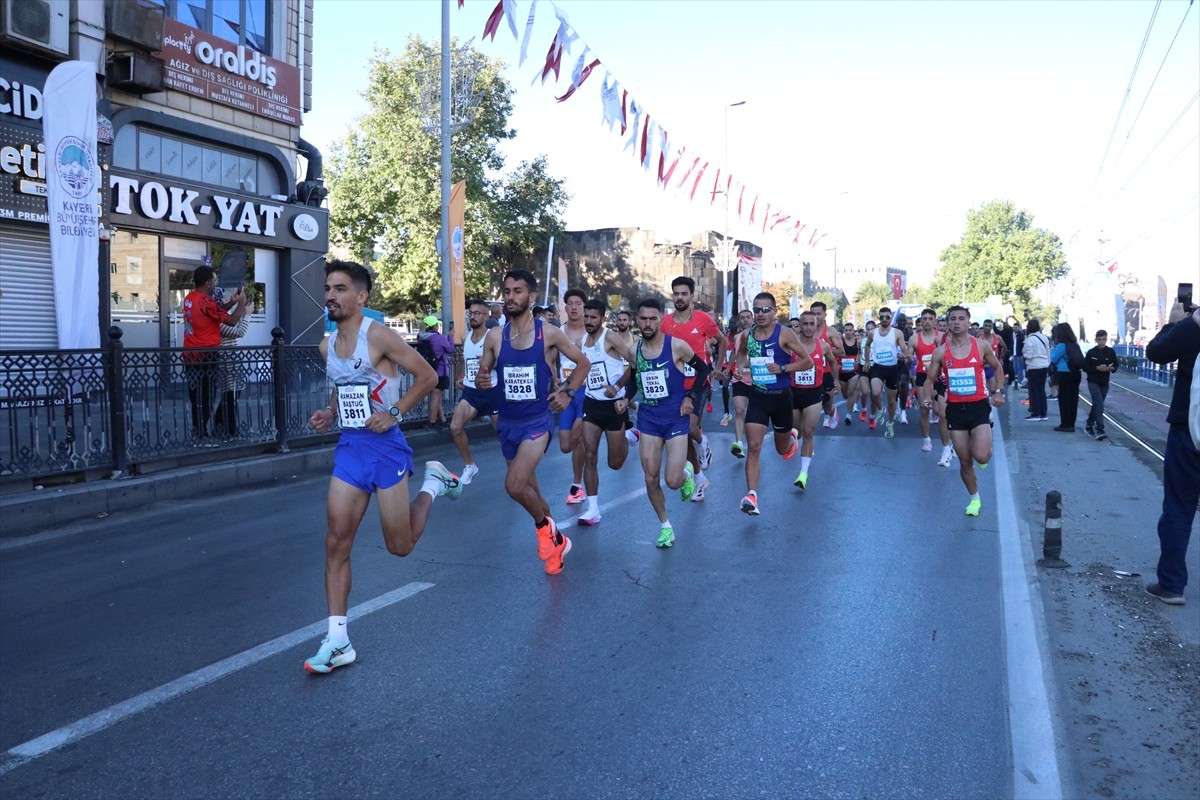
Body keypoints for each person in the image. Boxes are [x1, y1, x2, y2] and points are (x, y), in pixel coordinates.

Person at [304, 260, 462, 673]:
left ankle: (433, 484)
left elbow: (427, 376)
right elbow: (346, 389)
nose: (331, 296)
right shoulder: (326, 346)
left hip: (387, 450)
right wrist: (329, 413)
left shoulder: (380, 336)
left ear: (361, 296)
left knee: (401, 546)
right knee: (336, 542)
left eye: (340, 289)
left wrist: (394, 411)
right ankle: (338, 640)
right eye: (328, 289)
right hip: (351, 448)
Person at [474, 270, 590, 575]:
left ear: (531, 297)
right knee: (532, 493)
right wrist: (482, 378)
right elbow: (483, 372)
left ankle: (543, 530)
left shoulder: (548, 332)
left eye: (518, 291)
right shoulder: (495, 336)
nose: (510, 296)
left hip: (537, 423)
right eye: (507, 291)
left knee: (514, 485)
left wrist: (568, 393)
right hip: (507, 425)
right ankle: (558, 545)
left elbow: (583, 363)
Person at [629, 297, 710, 546]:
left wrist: (689, 396)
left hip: (675, 418)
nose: (648, 323)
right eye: (643, 318)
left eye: (653, 318)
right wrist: (624, 397)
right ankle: (665, 527)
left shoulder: (676, 346)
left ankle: (687, 473)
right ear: (637, 320)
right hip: (649, 419)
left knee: (672, 482)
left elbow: (703, 370)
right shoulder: (635, 350)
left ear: (661, 320)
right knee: (651, 478)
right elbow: (635, 377)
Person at [922, 305, 1005, 517]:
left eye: (961, 318)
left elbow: (997, 367)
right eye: (953, 319)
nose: (957, 322)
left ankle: (985, 453)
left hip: (978, 407)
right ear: (948, 324)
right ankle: (974, 499)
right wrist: (927, 398)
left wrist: (999, 392)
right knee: (964, 460)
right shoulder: (941, 352)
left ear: (968, 322)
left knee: (981, 457)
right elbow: (930, 380)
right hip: (955, 410)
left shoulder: (981, 346)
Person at [1143, 302, 1200, 605]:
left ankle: (1172, 585)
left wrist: (1176, 323)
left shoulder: (1192, 328)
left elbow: (1155, 353)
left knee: (1178, 509)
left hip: (1189, 432)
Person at [737, 292, 813, 515]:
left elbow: (807, 361)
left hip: (781, 398)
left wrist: (783, 368)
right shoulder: (747, 336)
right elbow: (741, 353)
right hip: (759, 397)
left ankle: (791, 439)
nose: (760, 314)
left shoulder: (785, 334)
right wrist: (740, 368)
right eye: (756, 310)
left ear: (774, 312)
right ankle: (752, 495)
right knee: (754, 447)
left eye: (765, 310)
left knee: (782, 450)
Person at [660, 275, 721, 501]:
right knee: (682, 437)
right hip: (673, 386)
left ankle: (702, 441)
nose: (680, 297)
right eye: (676, 293)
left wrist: (717, 366)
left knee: (690, 426)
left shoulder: (703, 319)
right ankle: (699, 477)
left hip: (698, 382)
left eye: (684, 293)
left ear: (692, 296)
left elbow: (722, 341)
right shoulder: (665, 323)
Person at [577, 299, 635, 526]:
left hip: (614, 406)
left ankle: (631, 435)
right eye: (586, 316)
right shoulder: (582, 340)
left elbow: (634, 363)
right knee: (589, 455)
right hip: (591, 405)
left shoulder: (610, 337)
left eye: (593, 317)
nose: (589, 321)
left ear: (602, 319)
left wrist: (618, 388)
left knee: (615, 463)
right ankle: (593, 509)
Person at [183, 267, 248, 441]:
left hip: (190, 355)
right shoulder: (205, 302)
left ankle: (198, 432)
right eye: (214, 281)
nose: (216, 283)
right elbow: (232, 321)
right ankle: (201, 435)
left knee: (197, 396)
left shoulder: (191, 298)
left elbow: (213, 312)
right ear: (207, 283)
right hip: (205, 355)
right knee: (204, 398)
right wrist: (242, 302)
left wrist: (231, 302)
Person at [450, 299, 501, 483]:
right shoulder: (465, 337)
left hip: (492, 391)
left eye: (477, 313)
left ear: (486, 316)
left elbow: (503, 360)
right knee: (455, 427)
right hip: (471, 392)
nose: (472, 316)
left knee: (504, 437)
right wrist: (461, 376)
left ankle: (517, 471)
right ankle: (470, 466)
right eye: (470, 313)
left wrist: (491, 361)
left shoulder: (493, 337)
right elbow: (466, 360)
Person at [790, 310, 833, 490]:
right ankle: (793, 442)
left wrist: (836, 381)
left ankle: (803, 474)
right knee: (796, 432)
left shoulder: (823, 346)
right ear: (799, 325)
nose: (808, 327)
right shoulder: (790, 345)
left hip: (814, 394)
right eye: (805, 324)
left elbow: (833, 363)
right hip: (793, 393)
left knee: (808, 431)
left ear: (817, 326)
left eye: (811, 324)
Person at [555, 288, 589, 505]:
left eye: (578, 303)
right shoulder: (558, 332)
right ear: (565, 308)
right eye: (571, 304)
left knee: (578, 437)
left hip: (587, 392)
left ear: (584, 307)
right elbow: (549, 358)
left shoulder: (593, 332)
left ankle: (578, 485)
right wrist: (553, 379)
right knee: (566, 445)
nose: (574, 307)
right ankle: (585, 463)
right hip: (566, 393)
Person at [913, 308, 953, 463]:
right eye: (925, 319)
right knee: (924, 409)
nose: (928, 321)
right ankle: (927, 439)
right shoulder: (915, 339)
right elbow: (909, 353)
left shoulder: (941, 337)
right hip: (923, 376)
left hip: (939, 376)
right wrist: (908, 357)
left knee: (941, 412)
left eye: (931, 318)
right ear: (921, 321)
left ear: (935, 321)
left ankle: (947, 446)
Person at [863, 306, 909, 438]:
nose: (884, 320)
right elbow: (867, 345)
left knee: (892, 401)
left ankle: (889, 424)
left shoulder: (897, 333)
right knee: (876, 393)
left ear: (890, 318)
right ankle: (880, 409)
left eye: (887, 317)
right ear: (879, 318)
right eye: (882, 317)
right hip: (878, 367)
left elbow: (904, 350)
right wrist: (867, 361)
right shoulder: (873, 333)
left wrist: (901, 353)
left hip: (892, 369)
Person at [211, 285, 251, 438]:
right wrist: (247, 315)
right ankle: (228, 429)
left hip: (231, 361)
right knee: (229, 397)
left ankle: (224, 428)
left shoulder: (223, 316)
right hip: (226, 362)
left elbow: (236, 325)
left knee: (231, 397)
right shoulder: (217, 320)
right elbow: (239, 332)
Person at [724, 309, 754, 457]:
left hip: (756, 380)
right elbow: (735, 354)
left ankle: (753, 442)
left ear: (753, 319)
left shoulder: (761, 336)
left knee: (753, 415)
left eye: (748, 317)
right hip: (740, 377)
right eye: (742, 318)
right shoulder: (737, 337)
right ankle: (739, 443)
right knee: (740, 411)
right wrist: (729, 368)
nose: (746, 320)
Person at [810, 301, 844, 429]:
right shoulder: (807, 330)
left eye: (819, 314)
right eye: (813, 314)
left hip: (826, 373)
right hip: (811, 374)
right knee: (810, 407)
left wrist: (824, 349)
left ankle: (831, 412)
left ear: (825, 314)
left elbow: (841, 352)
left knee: (827, 407)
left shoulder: (830, 331)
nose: (816, 316)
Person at [418, 316, 454, 428]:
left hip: (427, 370)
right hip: (440, 370)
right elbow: (450, 350)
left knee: (435, 397)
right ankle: (432, 422)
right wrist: (451, 337)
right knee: (436, 397)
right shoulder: (439, 338)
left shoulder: (421, 337)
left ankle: (443, 420)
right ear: (435, 326)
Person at [1082, 329, 1119, 440]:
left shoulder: (1110, 352)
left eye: (1104, 339)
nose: (1102, 342)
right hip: (1093, 381)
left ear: (1106, 339)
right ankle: (1100, 429)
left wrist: (1110, 368)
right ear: (1096, 340)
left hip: (1104, 382)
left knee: (1098, 404)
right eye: (1099, 340)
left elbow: (1115, 365)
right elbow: (1085, 367)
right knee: (1099, 403)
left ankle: (1089, 424)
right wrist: (1097, 367)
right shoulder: (1091, 352)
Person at [1049, 322, 1082, 432]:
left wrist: (1052, 349)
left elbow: (1053, 359)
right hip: (1076, 373)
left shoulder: (1061, 345)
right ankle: (1071, 423)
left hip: (1064, 373)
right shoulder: (1074, 344)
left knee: (1064, 399)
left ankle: (1065, 424)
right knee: (1073, 399)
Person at [1022, 319, 1051, 421]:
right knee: (1041, 390)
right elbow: (1048, 352)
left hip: (1034, 367)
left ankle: (1036, 413)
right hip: (1044, 366)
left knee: (1034, 390)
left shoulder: (1030, 340)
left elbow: (1028, 355)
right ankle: (1044, 413)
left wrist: (1024, 354)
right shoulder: (1045, 338)